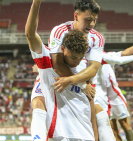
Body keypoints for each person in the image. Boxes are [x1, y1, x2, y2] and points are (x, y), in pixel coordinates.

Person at [26, 0, 96, 140]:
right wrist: (36, 3)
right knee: (38, 102)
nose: (76, 62)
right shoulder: (48, 63)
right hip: (60, 135)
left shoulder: (84, 74)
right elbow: (31, 34)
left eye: (80, 58)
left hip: (85, 135)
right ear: (62, 49)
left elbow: (91, 108)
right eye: (73, 57)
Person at [47, 0, 116, 140]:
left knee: (101, 119)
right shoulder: (60, 31)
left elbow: (94, 68)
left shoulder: (97, 38)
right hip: (66, 87)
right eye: (88, 19)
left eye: (94, 20)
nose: (91, 24)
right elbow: (58, 64)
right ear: (76, 16)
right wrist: (81, 84)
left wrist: (77, 82)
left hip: (87, 88)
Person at [95, 36, 133, 141]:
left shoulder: (109, 55)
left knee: (124, 124)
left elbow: (125, 53)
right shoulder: (91, 57)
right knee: (111, 127)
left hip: (114, 94)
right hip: (101, 95)